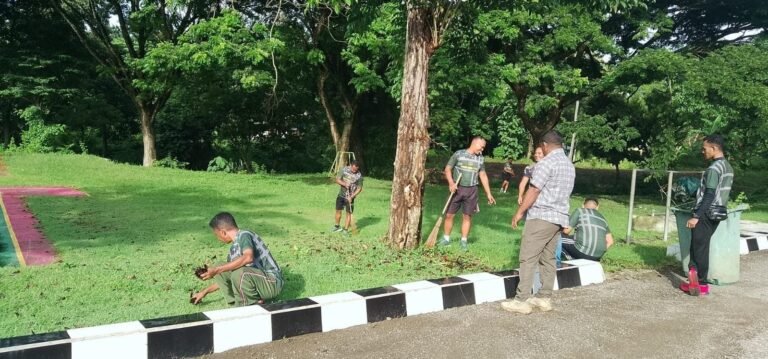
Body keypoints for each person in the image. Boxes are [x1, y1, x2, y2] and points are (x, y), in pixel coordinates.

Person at [502, 131, 575, 314]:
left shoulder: (546, 163)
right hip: (558, 218)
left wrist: (519, 212)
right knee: (548, 258)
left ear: (544, 144)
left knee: (528, 257)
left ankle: (522, 300)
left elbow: (533, 191)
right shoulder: (569, 165)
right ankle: (544, 297)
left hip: (541, 217)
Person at [192, 212, 284, 306]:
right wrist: (204, 292)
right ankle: (235, 301)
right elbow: (229, 277)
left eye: (216, 235)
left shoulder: (245, 235)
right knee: (221, 266)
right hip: (258, 281)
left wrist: (216, 270)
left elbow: (248, 257)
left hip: (272, 283)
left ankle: (245, 305)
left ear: (223, 232)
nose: (217, 238)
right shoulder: (233, 250)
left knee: (235, 271)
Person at [682, 134, 733, 296]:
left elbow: (709, 195)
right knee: (700, 246)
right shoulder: (728, 167)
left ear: (714, 148)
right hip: (718, 213)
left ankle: (701, 283)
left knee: (699, 248)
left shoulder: (713, 169)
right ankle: (694, 280)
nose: (702, 151)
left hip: (705, 212)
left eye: (704, 149)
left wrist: (696, 215)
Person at [438, 137, 496, 251]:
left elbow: (483, 175)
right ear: (474, 143)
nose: (482, 149)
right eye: (482, 146)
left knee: (467, 217)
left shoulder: (480, 159)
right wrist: (451, 183)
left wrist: (489, 194)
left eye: (483, 147)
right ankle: (446, 239)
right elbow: (448, 169)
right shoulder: (459, 154)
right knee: (449, 215)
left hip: (471, 191)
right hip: (456, 190)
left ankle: (463, 241)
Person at [331, 160, 363, 235]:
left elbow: (359, 188)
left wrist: (352, 196)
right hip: (341, 195)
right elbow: (337, 179)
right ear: (350, 165)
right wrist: (344, 184)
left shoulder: (359, 176)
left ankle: (345, 230)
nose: (354, 170)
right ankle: (337, 227)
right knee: (338, 211)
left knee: (348, 213)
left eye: (356, 169)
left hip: (350, 197)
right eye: (353, 169)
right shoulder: (344, 170)